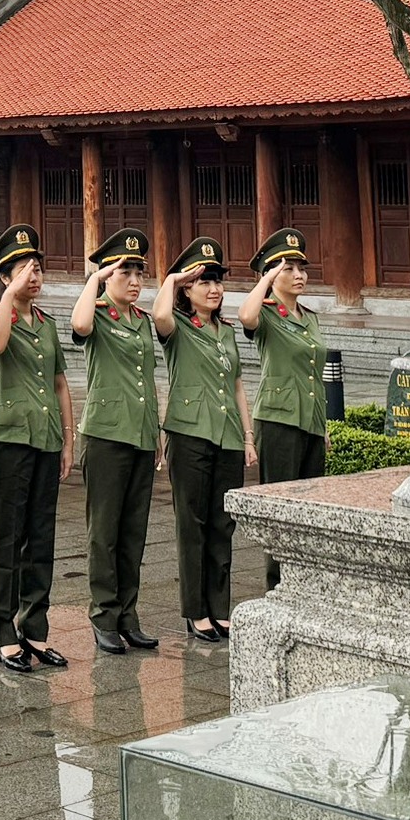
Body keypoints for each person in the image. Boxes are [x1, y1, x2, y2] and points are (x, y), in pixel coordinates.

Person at [0, 223, 74, 673]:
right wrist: (9, 299)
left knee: (41, 537)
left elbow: (60, 382)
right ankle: (3, 633)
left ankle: (35, 629)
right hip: (8, 439)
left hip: (46, 439)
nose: (34, 276)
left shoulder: (47, 324)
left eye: (37, 268)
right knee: (6, 538)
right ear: (4, 277)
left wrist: (68, 438)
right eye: (23, 269)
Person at [151, 236, 254, 643]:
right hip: (189, 434)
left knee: (222, 525)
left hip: (227, 436)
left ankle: (219, 607)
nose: (214, 288)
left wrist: (248, 436)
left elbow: (238, 385)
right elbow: (160, 314)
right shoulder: (177, 328)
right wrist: (173, 279)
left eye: (217, 281)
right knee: (192, 524)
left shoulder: (225, 332)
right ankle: (196, 611)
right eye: (204, 281)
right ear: (187, 290)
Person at [69, 227, 161, 655]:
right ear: (108, 275)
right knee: (104, 532)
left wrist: (155, 430)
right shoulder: (97, 312)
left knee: (133, 531)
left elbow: (147, 380)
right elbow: (79, 325)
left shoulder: (141, 320)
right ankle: (103, 615)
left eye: (139, 272)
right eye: (126, 272)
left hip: (139, 434)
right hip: (106, 435)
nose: (136, 281)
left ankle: (128, 614)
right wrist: (96, 281)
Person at [239, 227, 328, 590]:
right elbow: (245, 317)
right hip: (278, 420)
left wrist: (324, 426)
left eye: (301, 268)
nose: (299, 275)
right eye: (288, 269)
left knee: (309, 507)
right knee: (280, 507)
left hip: (311, 421)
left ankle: (305, 582)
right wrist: (267, 279)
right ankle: (277, 584)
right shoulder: (266, 314)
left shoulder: (310, 317)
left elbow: (315, 376)